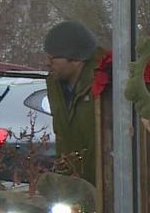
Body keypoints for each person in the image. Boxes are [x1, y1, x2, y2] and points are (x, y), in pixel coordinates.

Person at [43, 21, 106, 185]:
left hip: (105, 185)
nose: (47, 63)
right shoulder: (55, 85)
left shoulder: (105, 81)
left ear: (77, 60)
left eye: (53, 57)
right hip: (73, 186)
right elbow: (62, 133)